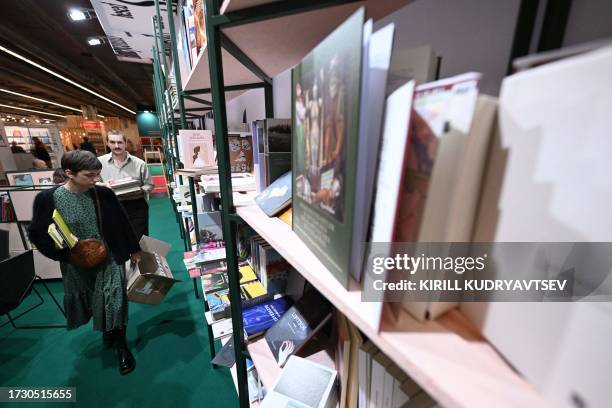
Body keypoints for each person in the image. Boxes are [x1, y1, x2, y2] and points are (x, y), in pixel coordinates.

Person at [27, 150, 141, 375]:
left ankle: (122, 346)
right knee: (92, 300)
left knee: (115, 299)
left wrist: (134, 250)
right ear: (69, 173)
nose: (95, 180)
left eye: (97, 174)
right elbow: (37, 233)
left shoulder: (103, 195)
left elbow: (122, 222)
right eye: (89, 175)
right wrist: (62, 256)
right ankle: (108, 330)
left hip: (109, 257)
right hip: (76, 262)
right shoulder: (48, 198)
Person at [99, 130, 153, 239]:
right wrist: (103, 185)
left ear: (125, 143)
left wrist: (139, 190)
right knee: (117, 240)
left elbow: (149, 185)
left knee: (140, 239)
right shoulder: (99, 162)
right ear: (107, 143)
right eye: (113, 142)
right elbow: (93, 182)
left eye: (120, 142)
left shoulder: (139, 163)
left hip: (136, 205)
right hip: (111, 205)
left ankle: (142, 256)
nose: (117, 146)